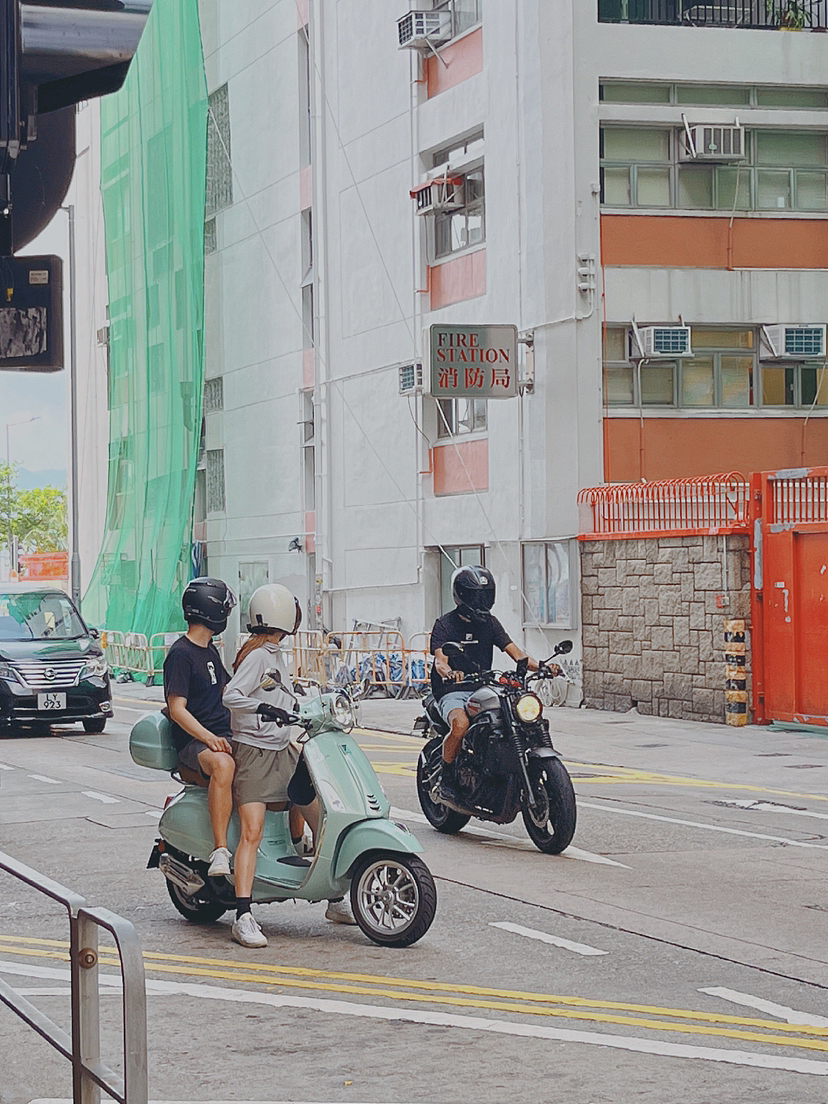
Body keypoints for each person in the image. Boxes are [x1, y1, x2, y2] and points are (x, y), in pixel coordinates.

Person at [222, 583, 355, 948]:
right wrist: (261, 708)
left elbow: (282, 692)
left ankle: (334, 895)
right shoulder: (256, 656)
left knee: (320, 815)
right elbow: (232, 696)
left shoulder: (275, 653)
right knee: (252, 832)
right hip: (254, 753)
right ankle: (243, 916)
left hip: (283, 749)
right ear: (281, 615)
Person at [430, 565, 548, 806]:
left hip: (483, 687)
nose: (481, 601)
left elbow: (518, 654)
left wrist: (542, 667)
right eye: (476, 596)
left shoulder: (490, 623)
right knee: (461, 725)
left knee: (513, 716)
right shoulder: (445, 624)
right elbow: (440, 661)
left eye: (485, 595)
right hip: (452, 690)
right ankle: (446, 779)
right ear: (462, 595)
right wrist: (450, 673)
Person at [163, 577, 237, 878]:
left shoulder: (210, 650)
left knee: (283, 755)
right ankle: (220, 850)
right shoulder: (181, 654)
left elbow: (229, 692)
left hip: (221, 734)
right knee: (223, 764)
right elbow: (177, 709)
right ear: (212, 610)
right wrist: (209, 738)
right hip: (194, 742)